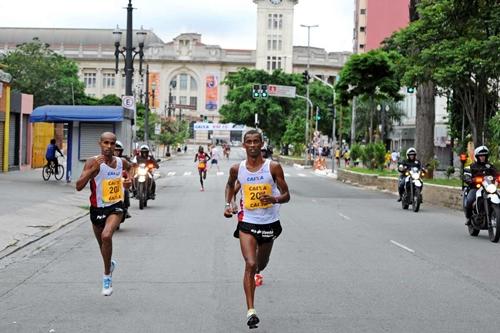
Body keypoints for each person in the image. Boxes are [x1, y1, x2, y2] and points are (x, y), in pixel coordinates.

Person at [224, 129, 290, 329]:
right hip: (247, 221)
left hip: (269, 222)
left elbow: (287, 195)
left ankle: (258, 271)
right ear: (244, 145)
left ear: (262, 144)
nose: (252, 145)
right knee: (250, 264)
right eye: (248, 142)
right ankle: (251, 311)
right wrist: (229, 204)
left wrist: (275, 198)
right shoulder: (238, 169)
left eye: (256, 142)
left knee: (261, 264)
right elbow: (230, 186)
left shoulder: (273, 168)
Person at [76, 132, 132, 296]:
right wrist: (93, 169)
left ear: (115, 146)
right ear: (100, 143)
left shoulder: (121, 162)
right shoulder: (92, 162)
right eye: (106, 143)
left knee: (106, 236)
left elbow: (130, 169)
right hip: (97, 209)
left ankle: (107, 276)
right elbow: (79, 186)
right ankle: (109, 265)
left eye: (112, 143)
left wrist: (129, 180)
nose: (109, 146)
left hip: (116, 205)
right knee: (102, 246)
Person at [463, 146, 498, 225]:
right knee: (469, 200)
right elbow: (466, 176)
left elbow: (497, 174)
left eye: (484, 156)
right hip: (475, 188)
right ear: (477, 157)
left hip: (489, 187)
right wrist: (471, 179)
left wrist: (498, 178)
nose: (482, 157)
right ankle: (469, 218)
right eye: (481, 156)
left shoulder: (490, 166)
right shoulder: (471, 167)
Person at [114, 141, 132, 220]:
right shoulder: (105, 159)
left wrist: (128, 177)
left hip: (121, 181)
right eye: (115, 150)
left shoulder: (124, 159)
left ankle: (126, 209)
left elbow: (130, 167)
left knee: (125, 191)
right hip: (108, 183)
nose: (116, 152)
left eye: (118, 150)